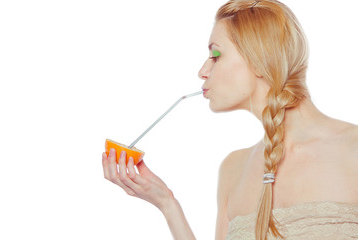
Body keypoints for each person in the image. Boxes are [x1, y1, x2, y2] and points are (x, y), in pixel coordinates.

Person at [102, 0, 358, 239]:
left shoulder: (353, 149)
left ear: (260, 59)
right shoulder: (233, 169)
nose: (202, 71)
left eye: (216, 55)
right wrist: (167, 204)